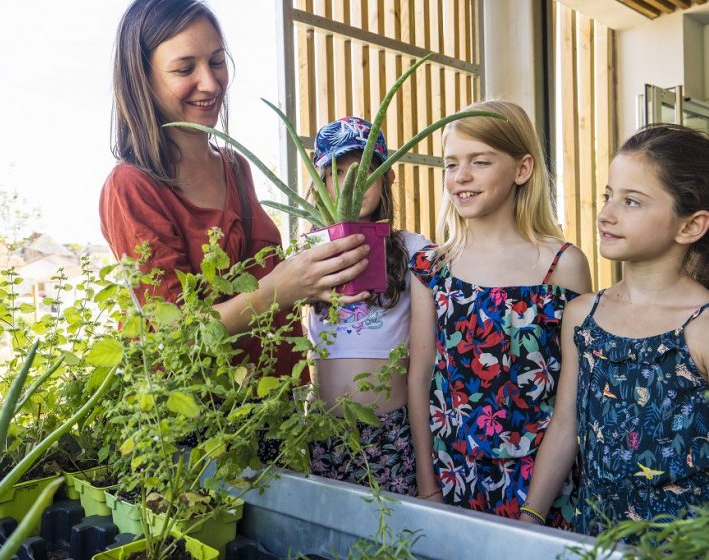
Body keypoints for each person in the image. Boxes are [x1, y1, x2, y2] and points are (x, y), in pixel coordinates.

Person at [99, 0, 371, 372]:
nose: (210, 83)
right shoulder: (131, 187)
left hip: (274, 407)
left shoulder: (234, 166)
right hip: (207, 420)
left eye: (216, 61)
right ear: (141, 77)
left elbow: (256, 279)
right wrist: (280, 288)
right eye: (184, 68)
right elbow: (174, 335)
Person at [407, 100, 592, 525]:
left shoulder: (563, 264)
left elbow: (572, 393)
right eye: (451, 164)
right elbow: (418, 376)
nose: (461, 177)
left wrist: (535, 511)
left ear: (523, 169)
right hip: (452, 473)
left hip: (543, 484)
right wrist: (427, 484)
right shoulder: (431, 267)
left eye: (480, 161)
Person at [520, 124, 709, 535]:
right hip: (597, 539)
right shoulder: (583, 315)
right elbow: (566, 424)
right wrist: (529, 520)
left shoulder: (702, 327)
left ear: (690, 226)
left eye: (632, 202)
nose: (606, 213)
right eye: (608, 196)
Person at [306, 116, 430, 496]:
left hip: (388, 429)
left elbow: (424, 366)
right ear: (320, 182)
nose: (350, 185)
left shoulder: (413, 249)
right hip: (324, 431)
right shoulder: (308, 256)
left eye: (364, 172)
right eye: (337, 172)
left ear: (388, 177)